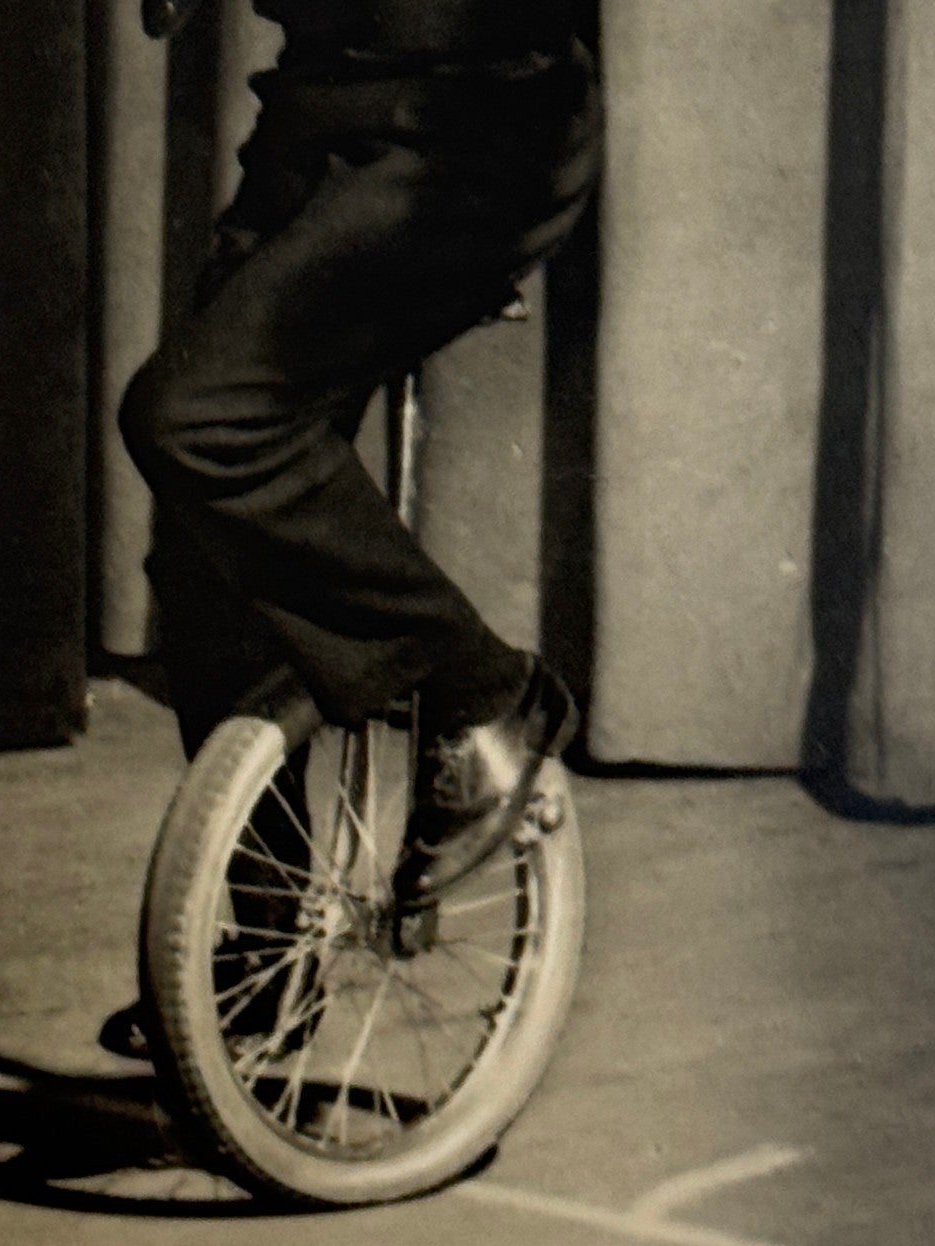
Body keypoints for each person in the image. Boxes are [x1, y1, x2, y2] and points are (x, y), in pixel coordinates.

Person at [102, 0, 603, 1057]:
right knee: (206, 548)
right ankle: (270, 945)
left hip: (469, 131)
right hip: (330, 109)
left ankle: (484, 695)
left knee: (194, 419)